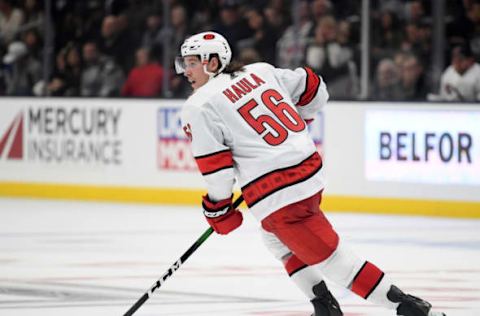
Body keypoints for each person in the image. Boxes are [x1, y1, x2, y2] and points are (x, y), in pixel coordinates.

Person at [176, 31, 446, 316]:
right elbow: (314, 87)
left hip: (281, 197)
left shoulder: (198, 105)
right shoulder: (261, 71)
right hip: (309, 173)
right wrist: (297, 124)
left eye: (192, 63)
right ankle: (323, 305)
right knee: (273, 237)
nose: (186, 71)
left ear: (213, 63)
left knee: (335, 262)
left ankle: (411, 309)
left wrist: (218, 209)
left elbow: (218, 171)